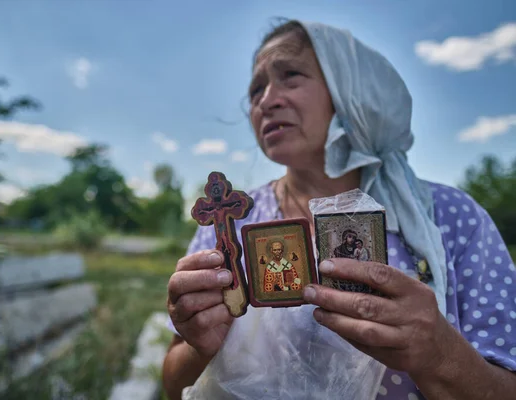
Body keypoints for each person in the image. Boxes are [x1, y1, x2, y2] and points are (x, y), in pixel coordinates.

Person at [162, 19, 516, 400]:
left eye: (291, 75)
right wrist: (201, 345)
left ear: (350, 88)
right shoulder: (232, 221)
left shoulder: (449, 218)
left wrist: (439, 354)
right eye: (255, 90)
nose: (266, 100)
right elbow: (172, 381)